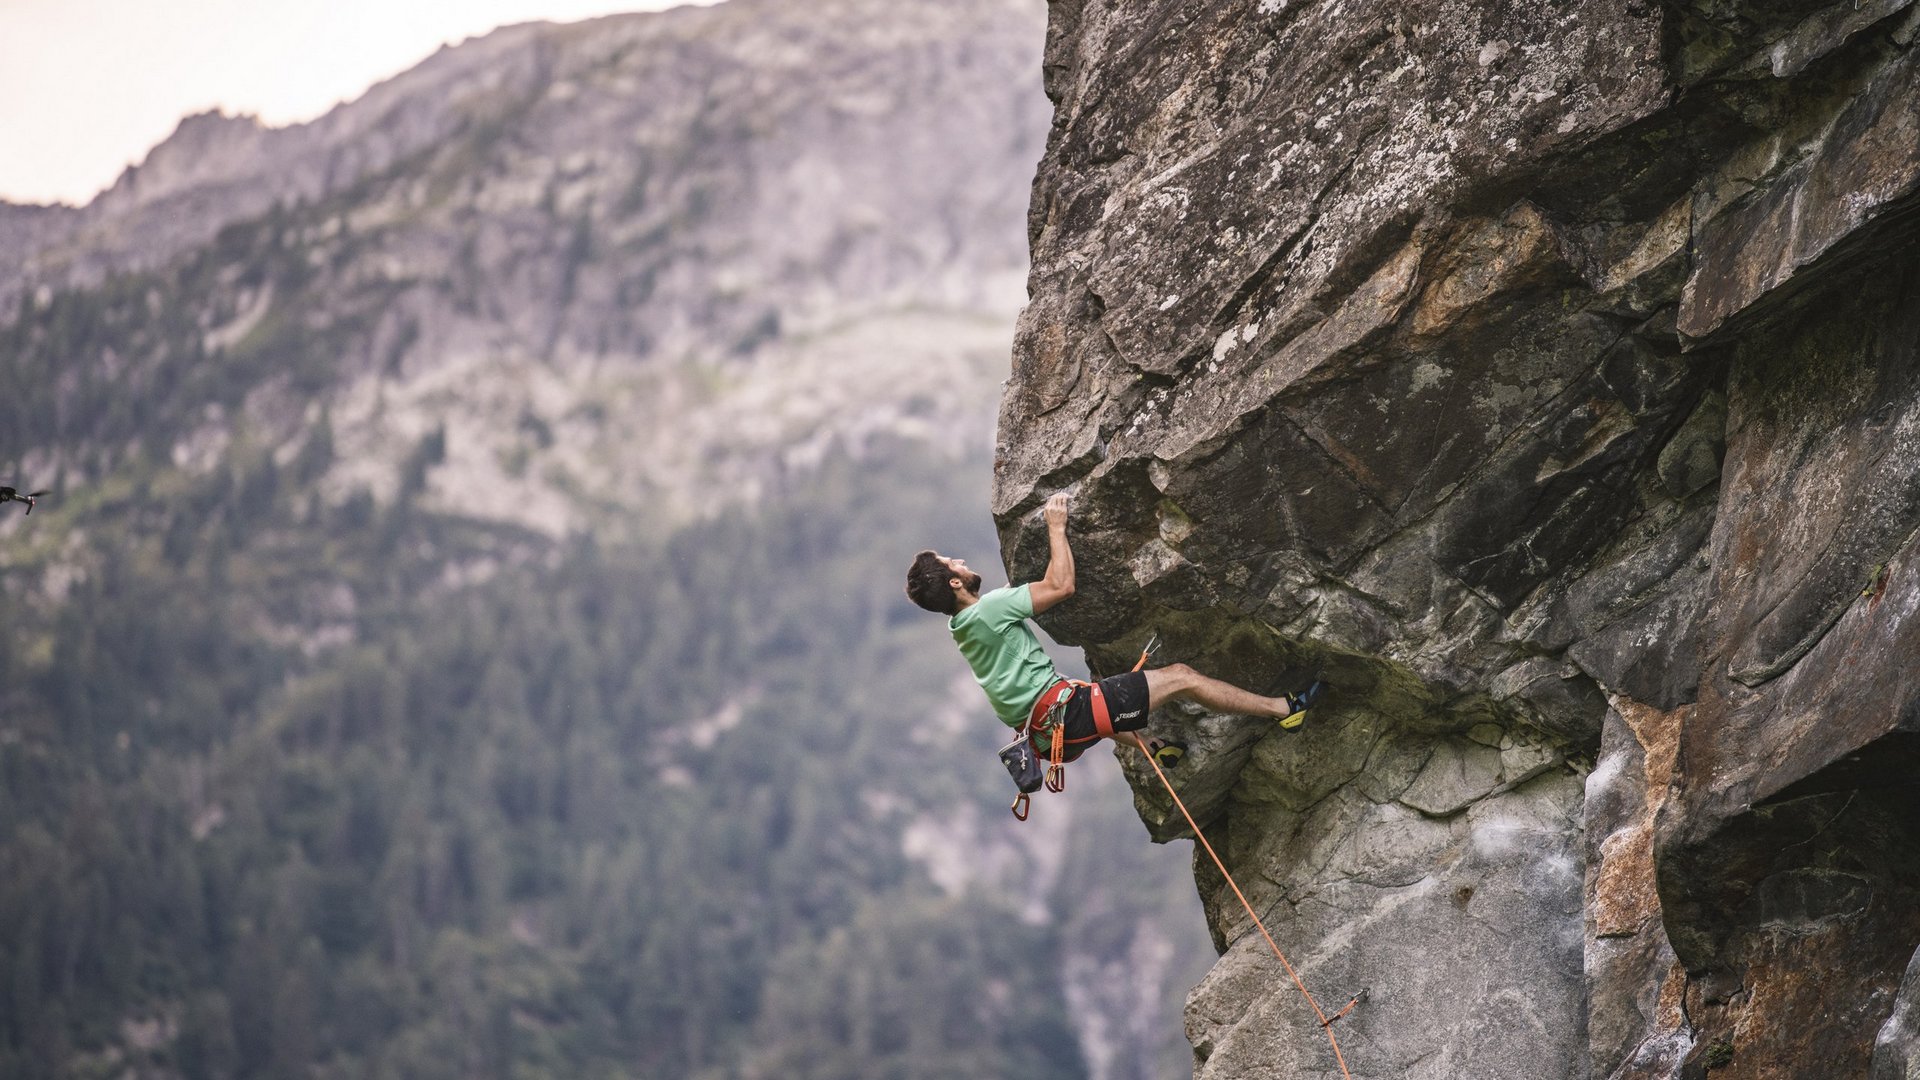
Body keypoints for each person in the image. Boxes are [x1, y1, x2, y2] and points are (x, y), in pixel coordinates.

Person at [904, 492, 1322, 769]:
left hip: (1050, 739)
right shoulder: (990, 609)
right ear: (955, 583)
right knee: (1181, 677)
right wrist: (1056, 526)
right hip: (1070, 714)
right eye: (951, 562)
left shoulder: (961, 630)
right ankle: (1284, 710)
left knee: (1098, 696)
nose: (959, 560)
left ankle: (1155, 748)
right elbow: (1060, 587)